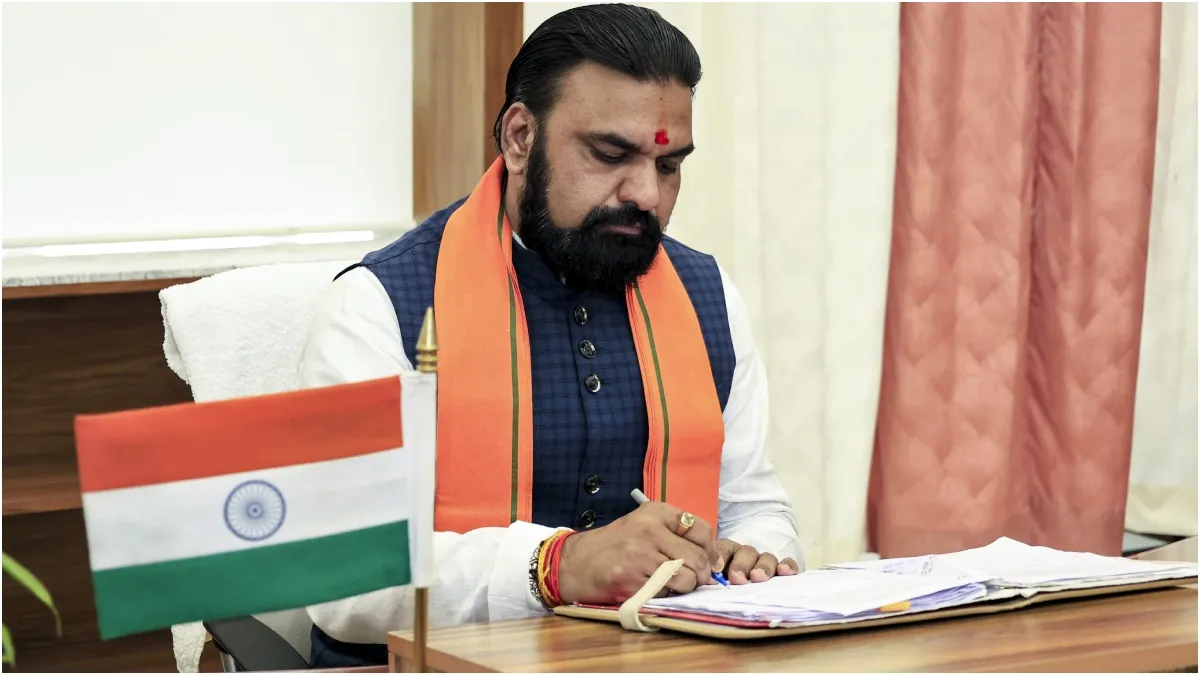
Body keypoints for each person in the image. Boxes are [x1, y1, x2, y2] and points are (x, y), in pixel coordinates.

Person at [297, 3, 800, 668]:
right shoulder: (378, 307)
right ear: (519, 137)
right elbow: (344, 580)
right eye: (611, 154)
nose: (647, 194)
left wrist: (753, 555)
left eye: (669, 165)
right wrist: (556, 565)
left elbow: (753, 505)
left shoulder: (709, 296)